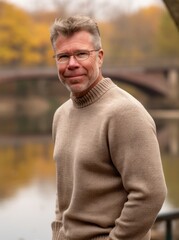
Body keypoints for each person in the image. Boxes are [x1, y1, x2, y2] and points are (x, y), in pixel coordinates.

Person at [50, 15, 167, 240]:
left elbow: (150, 194)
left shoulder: (125, 113)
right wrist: (57, 233)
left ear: (100, 57)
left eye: (81, 54)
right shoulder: (61, 115)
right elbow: (64, 193)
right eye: (63, 56)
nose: (72, 63)